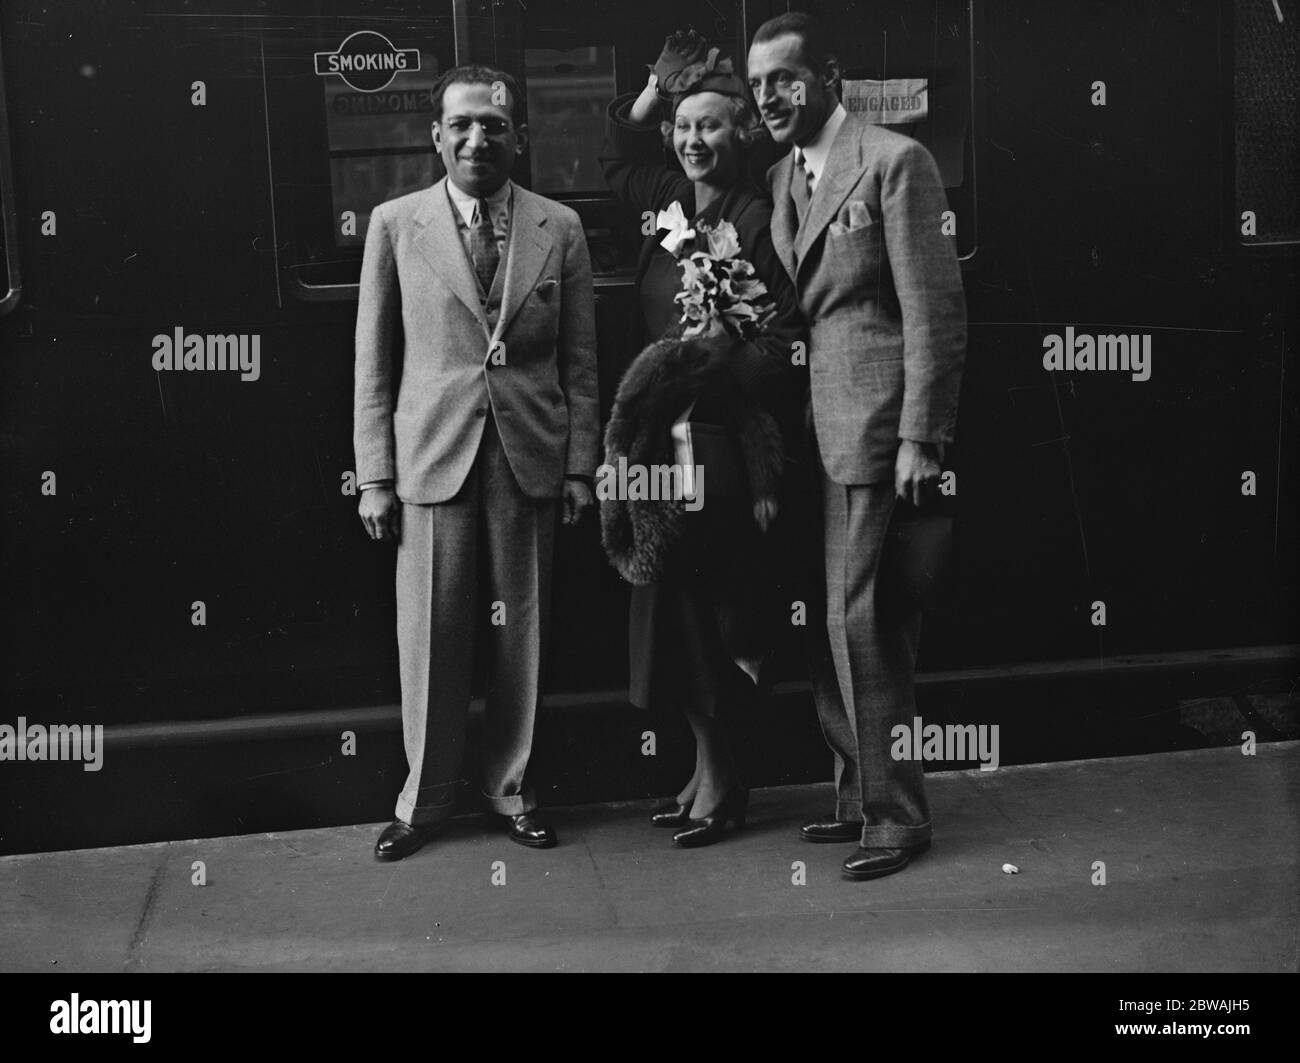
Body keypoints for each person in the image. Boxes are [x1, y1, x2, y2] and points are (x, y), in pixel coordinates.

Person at [354, 65, 600, 861]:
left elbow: (581, 362)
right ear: (436, 136)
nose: (476, 139)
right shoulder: (396, 223)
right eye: (460, 125)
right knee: (431, 632)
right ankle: (423, 800)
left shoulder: (557, 227)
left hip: (530, 454)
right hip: (432, 459)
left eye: (493, 126)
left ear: (517, 136)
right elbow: (374, 364)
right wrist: (376, 476)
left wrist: (579, 467)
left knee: (522, 634)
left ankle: (511, 788)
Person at [748, 13, 967, 879]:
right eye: (758, 83)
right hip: (813, 434)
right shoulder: (779, 177)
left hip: (877, 430)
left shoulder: (894, 162)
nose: (769, 96)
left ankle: (897, 813)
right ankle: (854, 791)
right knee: (826, 621)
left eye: (785, 80)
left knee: (863, 619)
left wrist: (923, 435)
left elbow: (935, 311)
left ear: (828, 77)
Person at [599, 32, 807, 848]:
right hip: (660, 448)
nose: (694, 141)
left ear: (742, 135)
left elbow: (789, 336)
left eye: (712, 127)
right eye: (683, 128)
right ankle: (702, 768)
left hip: (720, 448)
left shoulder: (756, 217)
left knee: (710, 612)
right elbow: (617, 159)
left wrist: (726, 358)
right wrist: (654, 89)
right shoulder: (667, 204)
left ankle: (727, 779)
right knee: (669, 609)